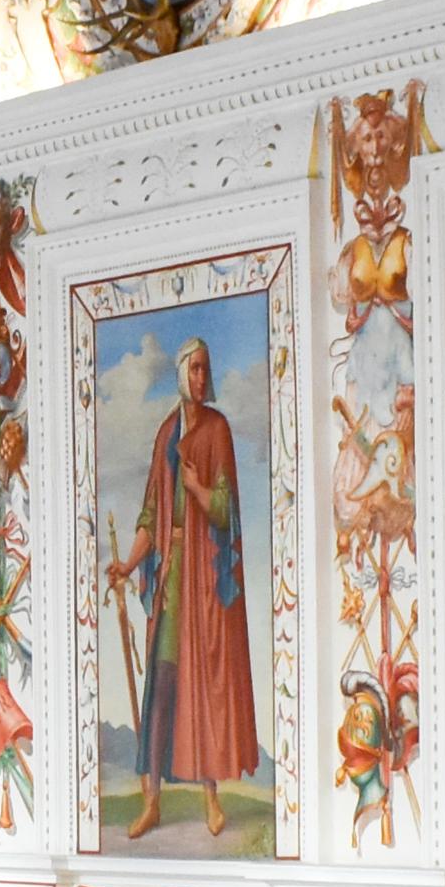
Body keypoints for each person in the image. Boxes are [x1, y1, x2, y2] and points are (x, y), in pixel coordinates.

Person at [110, 339, 259, 839]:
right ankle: (152, 800)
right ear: (180, 373)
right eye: (194, 369)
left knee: (208, 683)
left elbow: (225, 510)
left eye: (206, 370)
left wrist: (196, 489)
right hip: (172, 574)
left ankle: (211, 800)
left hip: (204, 579)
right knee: (164, 681)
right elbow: (152, 512)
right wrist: (130, 564)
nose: (200, 378)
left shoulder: (217, 429)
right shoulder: (164, 435)